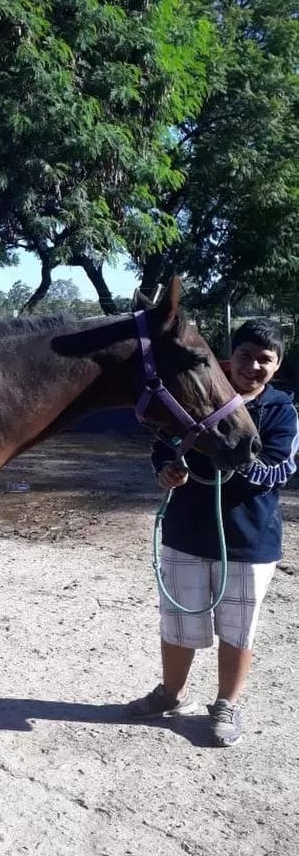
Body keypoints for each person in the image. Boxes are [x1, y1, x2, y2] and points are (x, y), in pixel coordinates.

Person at [129, 318, 299, 746]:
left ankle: (226, 704)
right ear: (230, 354)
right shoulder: (197, 393)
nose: (254, 366)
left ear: (277, 366)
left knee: (238, 629)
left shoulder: (282, 411)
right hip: (185, 530)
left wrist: (227, 449)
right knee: (178, 622)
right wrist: (167, 469)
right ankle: (171, 694)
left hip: (248, 542)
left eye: (265, 360)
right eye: (246, 356)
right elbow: (162, 444)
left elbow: (278, 468)